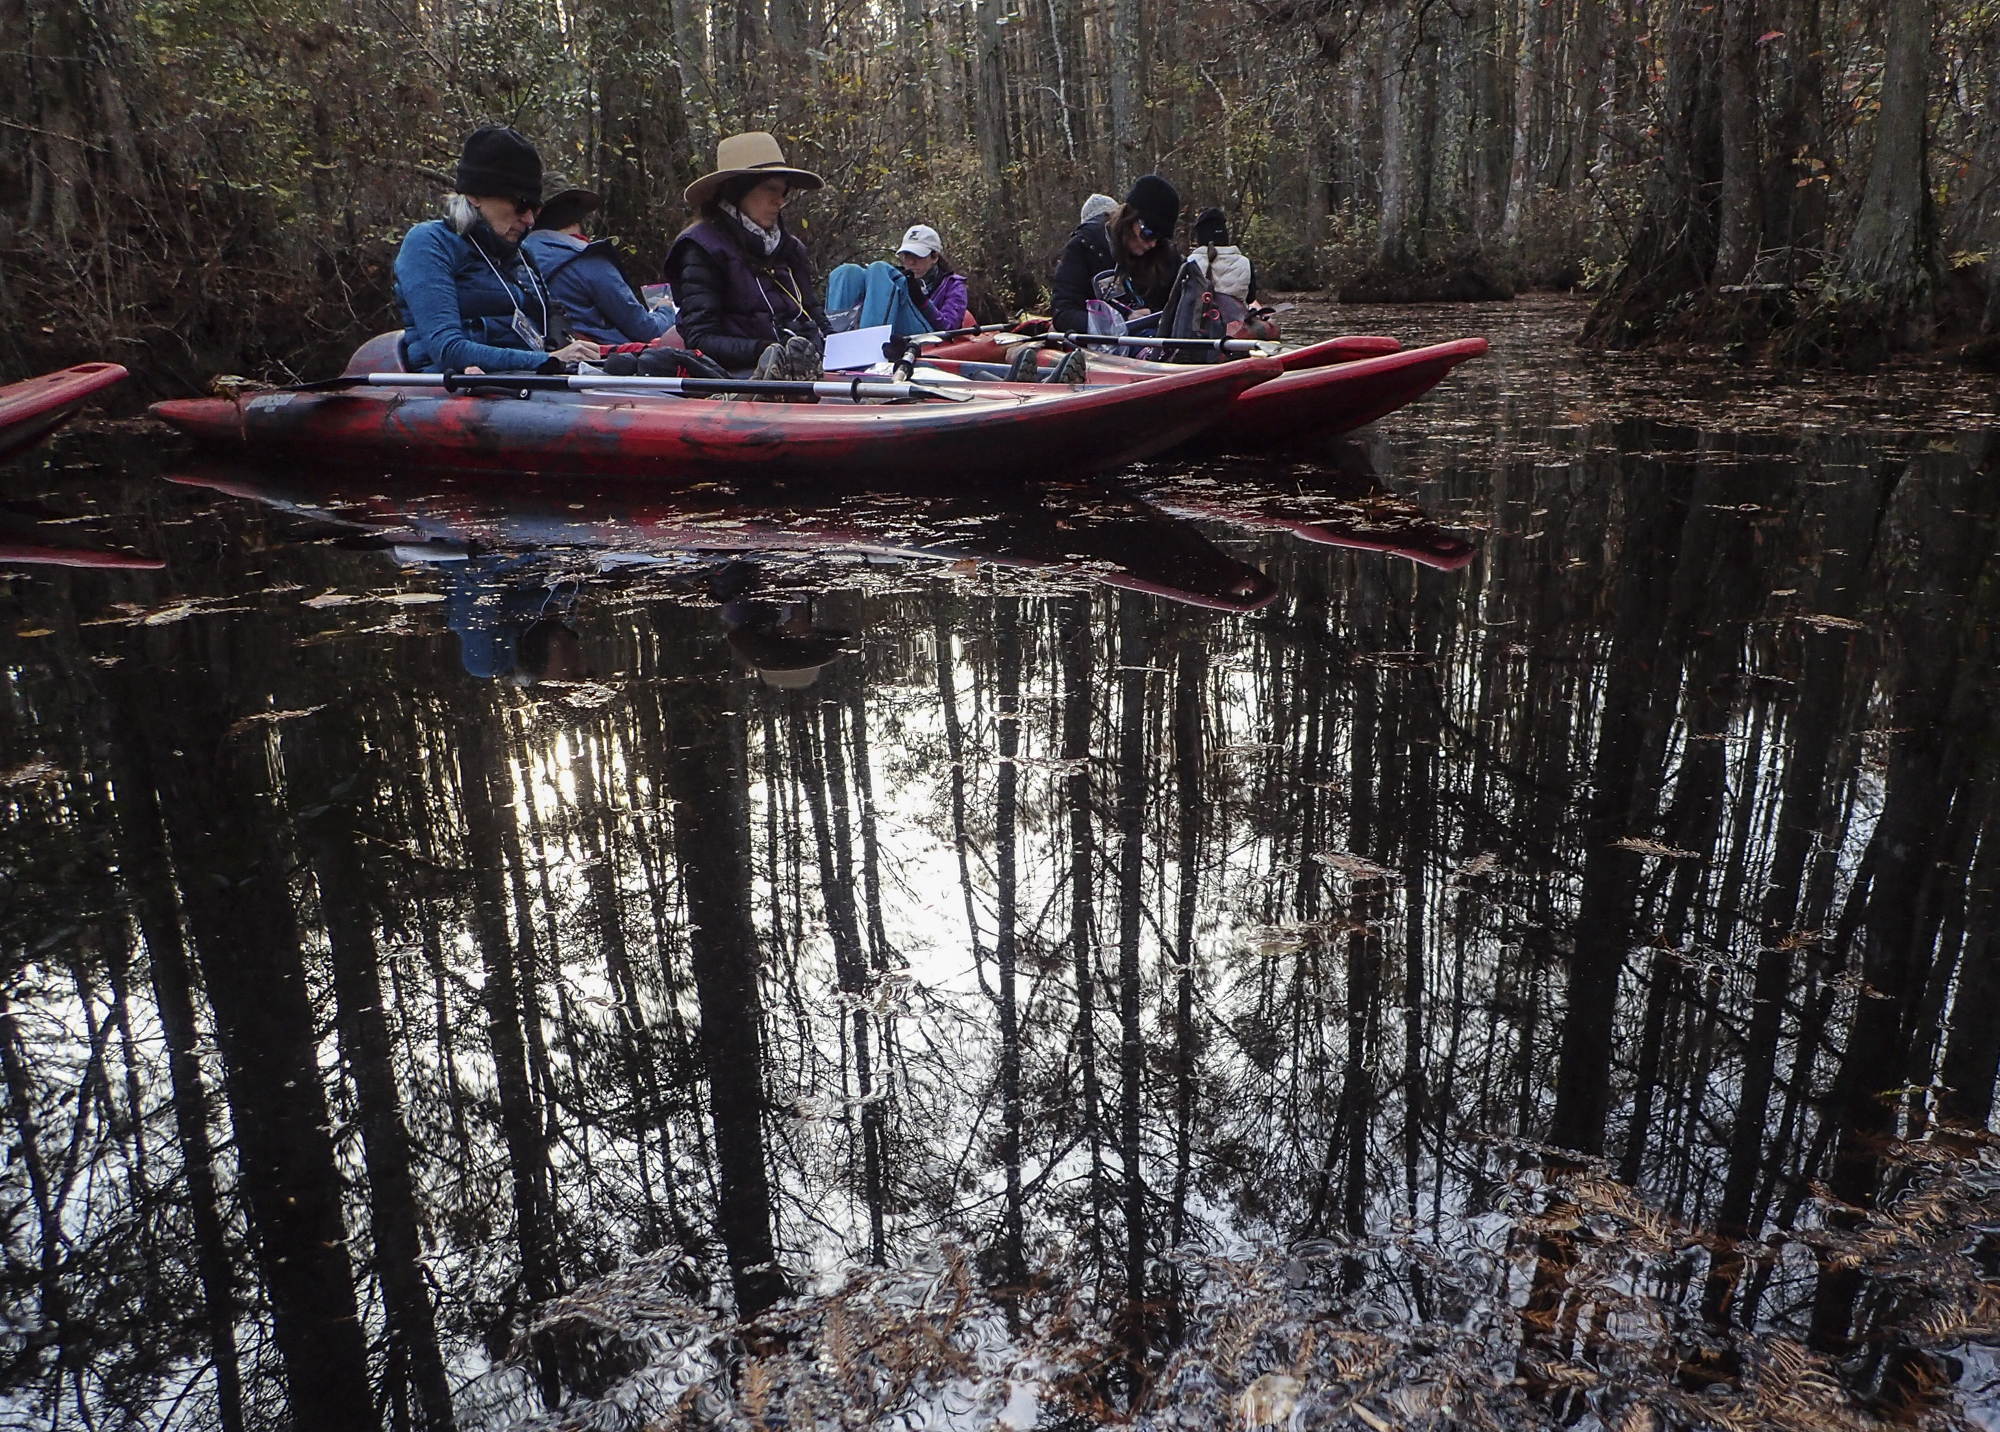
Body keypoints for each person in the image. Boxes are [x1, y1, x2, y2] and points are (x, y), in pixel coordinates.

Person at [394, 127, 601, 374]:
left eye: (535, 209)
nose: (530, 221)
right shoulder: (429, 242)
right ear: (474, 195)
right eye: (521, 205)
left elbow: (547, 340)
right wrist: (549, 361)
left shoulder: (522, 255)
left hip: (527, 384)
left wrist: (574, 352)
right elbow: (448, 349)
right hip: (450, 392)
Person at [663, 132, 830, 380]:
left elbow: (815, 316)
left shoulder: (791, 249)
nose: (780, 200)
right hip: (737, 381)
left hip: (809, 375)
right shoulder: (701, 247)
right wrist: (764, 351)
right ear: (734, 189)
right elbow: (700, 338)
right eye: (770, 189)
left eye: (784, 191)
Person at [522, 187, 676, 347]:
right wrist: (665, 310)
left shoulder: (518, 257)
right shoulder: (587, 260)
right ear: (577, 221)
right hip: (600, 362)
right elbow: (647, 331)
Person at [1050, 174, 1182, 335]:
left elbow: (1177, 303)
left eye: (1160, 239)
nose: (1152, 244)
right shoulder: (1086, 246)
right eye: (1148, 234)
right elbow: (1063, 312)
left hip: (1156, 341)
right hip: (1103, 349)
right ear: (1130, 219)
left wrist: (1152, 313)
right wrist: (1118, 323)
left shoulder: (1165, 255)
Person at [825, 224, 970, 339]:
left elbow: (949, 328)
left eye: (918, 256)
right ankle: (835, 343)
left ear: (934, 257)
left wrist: (922, 302)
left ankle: (870, 346)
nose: (911, 262)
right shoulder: (899, 276)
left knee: (879, 268)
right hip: (896, 329)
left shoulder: (954, 285)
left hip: (929, 336)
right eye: (907, 255)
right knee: (847, 272)